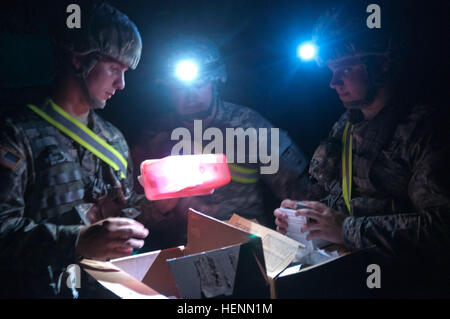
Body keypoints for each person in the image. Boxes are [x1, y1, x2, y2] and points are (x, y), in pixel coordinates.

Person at [273, 6, 450, 296]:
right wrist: (305, 216)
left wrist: (346, 229)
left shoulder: (426, 129)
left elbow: (441, 228)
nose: (333, 82)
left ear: (382, 64)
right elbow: (338, 197)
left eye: (345, 68)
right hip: (350, 274)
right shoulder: (346, 124)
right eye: (331, 70)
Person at [0, 3, 149, 298]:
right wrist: (77, 240)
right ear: (80, 60)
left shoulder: (113, 139)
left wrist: (158, 209)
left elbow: (130, 212)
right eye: (114, 68)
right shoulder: (18, 134)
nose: (121, 84)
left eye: (125, 72)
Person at [132, 35, 310, 250]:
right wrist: (162, 207)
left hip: (248, 245)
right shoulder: (156, 135)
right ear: (168, 89)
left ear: (216, 80)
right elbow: (133, 217)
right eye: (180, 87)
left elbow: (302, 195)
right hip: (181, 251)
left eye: (199, 84)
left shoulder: (248, 126)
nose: (190, 94)